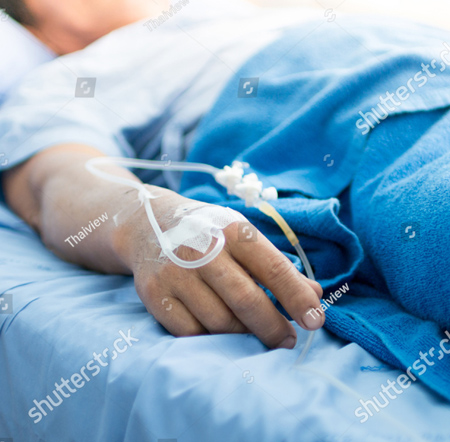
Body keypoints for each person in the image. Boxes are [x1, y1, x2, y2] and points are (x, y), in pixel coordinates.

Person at [0, 0, 326, 351]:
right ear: (42, 23)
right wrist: (150, 220)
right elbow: (52, 176)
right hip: (321, 118)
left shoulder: (235, 14)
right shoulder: (68, 78)